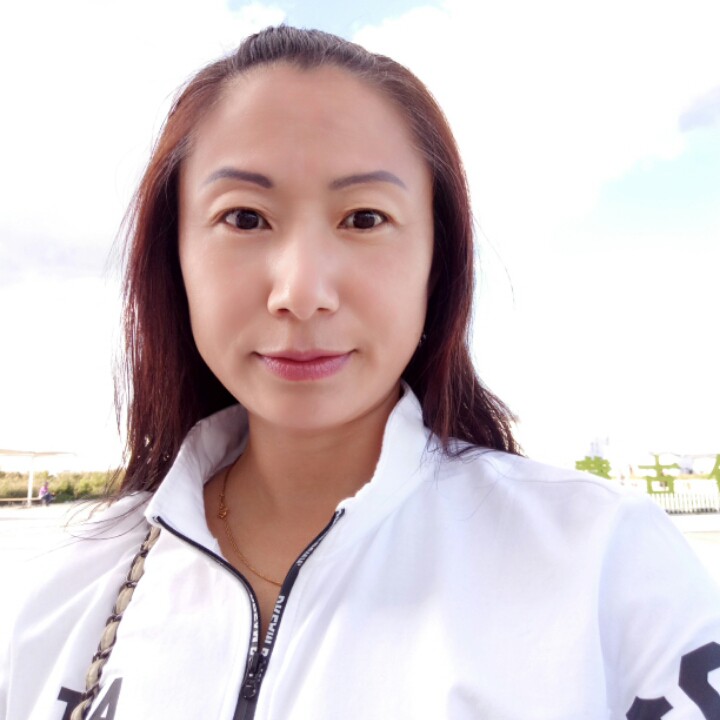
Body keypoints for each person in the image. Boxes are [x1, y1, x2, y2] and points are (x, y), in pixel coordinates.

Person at [2, 26, 719, 720]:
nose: (302, 292)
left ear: (438, 257)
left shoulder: (605, 568)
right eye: (245, 218)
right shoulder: (55, 601)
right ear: (175, 254)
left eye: (365, 218)